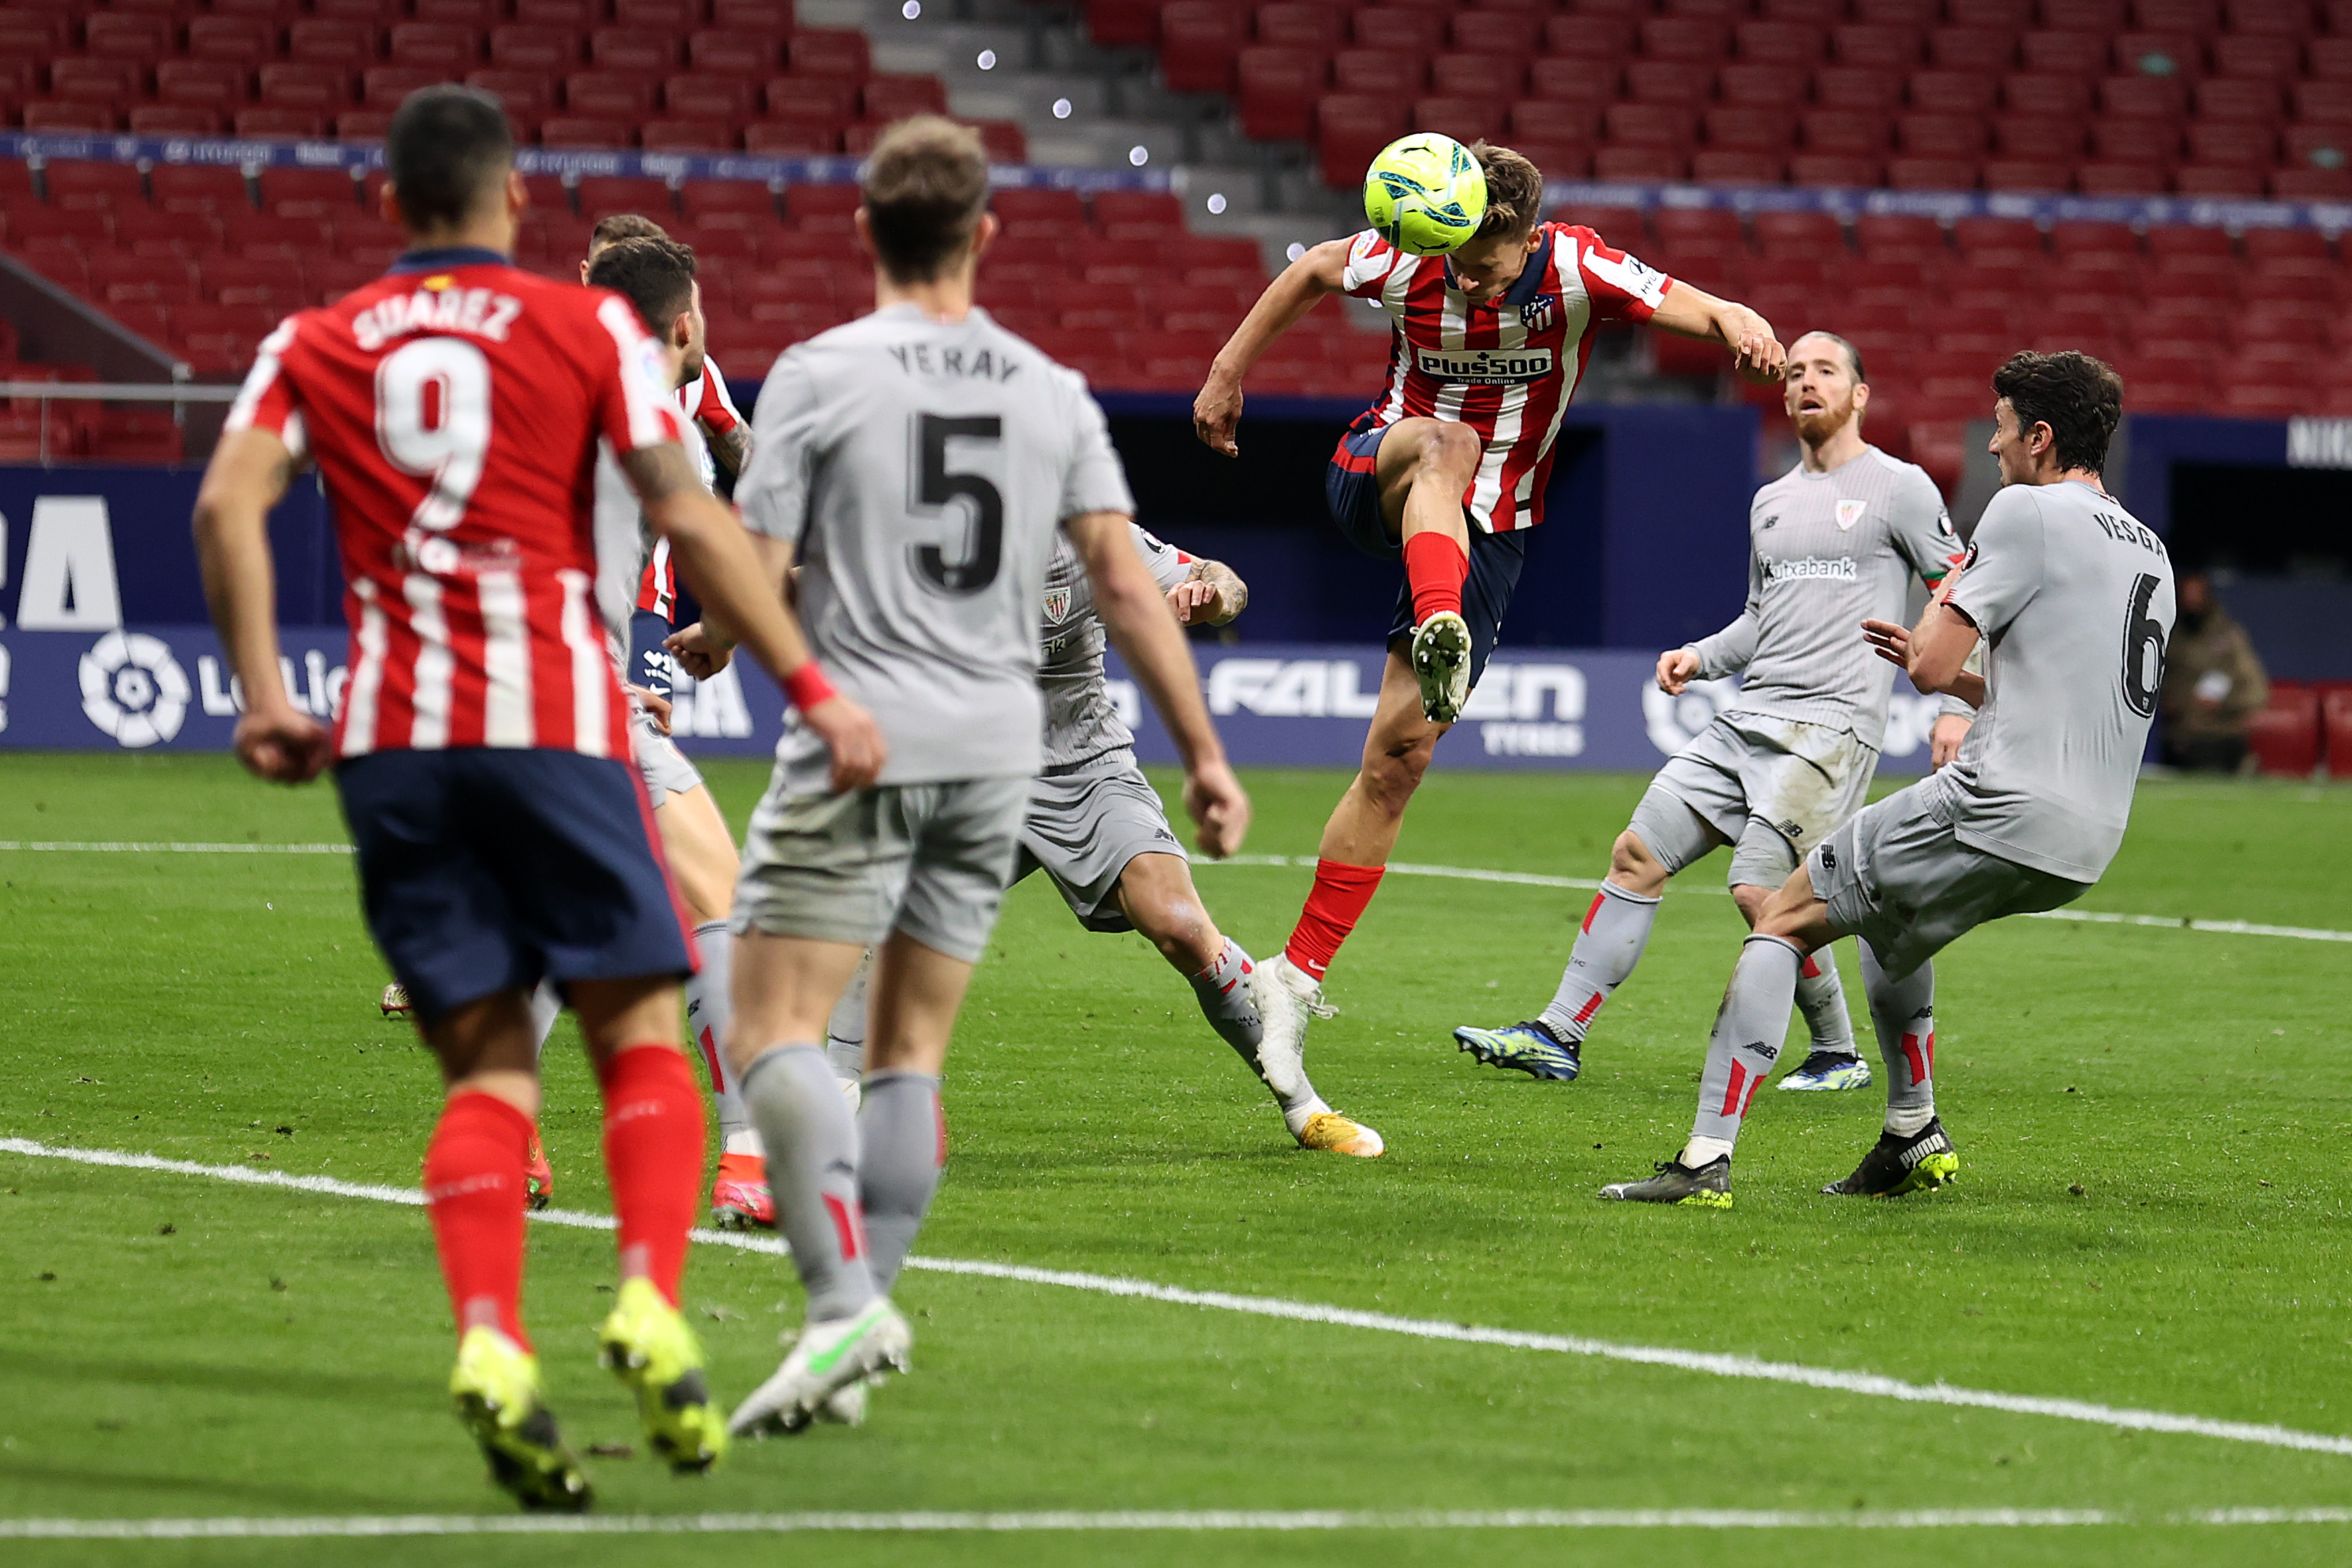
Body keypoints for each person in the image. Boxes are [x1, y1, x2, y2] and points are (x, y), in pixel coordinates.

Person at [190, 86, 883, 1508]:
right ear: (512, 202)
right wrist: (811, 688)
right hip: (564, 721)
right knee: (643, 1017)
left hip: (391, 738)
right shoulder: (586, 333)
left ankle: (494, 1333)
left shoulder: (311, 341)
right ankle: (644, 1291)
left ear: (389, 205)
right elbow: (691, 509)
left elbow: (223, 505)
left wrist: (265, 692)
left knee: (488, 1063)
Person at [663, 117, 1250, 1437]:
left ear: (867, 234)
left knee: (771, 1028)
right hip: (999, 746)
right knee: (907, 1048)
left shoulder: (817, 375)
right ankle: (859, 1306)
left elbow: (765, 566)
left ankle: (841, 1307)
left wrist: (725, 643)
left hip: (867, 731)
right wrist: (1203, 755)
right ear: (984, 238)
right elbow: (1129, 581)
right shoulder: (1045, 391)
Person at [1191, 141, 1786, 1104]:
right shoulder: (1416, 251)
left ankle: (1292, 979)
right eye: (1458, 258)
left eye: (1485, 263)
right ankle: (1439, 624)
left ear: (1526, 239)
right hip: (1382, 465)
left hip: (1490, 532)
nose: (1466, 276)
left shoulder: (1577, 265)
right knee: (1451, 439)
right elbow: (1308, 269)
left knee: (1397, 761)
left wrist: (1743, 328)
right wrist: (1227, 373)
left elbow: (1702, 307)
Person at [1599, 350, 2172, 1207]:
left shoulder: (2024, 511)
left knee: (1782, 914)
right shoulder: (2149, 548)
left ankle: (1702, 1159)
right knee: (1885, 923)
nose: (1992, 447)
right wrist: (1963, 673)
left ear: (2041, 437)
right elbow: (2061, 690)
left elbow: (1933, 669)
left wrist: (1935, 632)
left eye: (2004, 426)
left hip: (1997, 801)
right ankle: (1912, 1131)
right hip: (2087, 837)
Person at [1455, 331, 1971, 1090]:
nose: (1805, 382)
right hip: (1747, 718)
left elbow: (1957, 592)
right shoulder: (1771, 501)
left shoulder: (1902, 487)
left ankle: (1836, 1052)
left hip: (1828, 728)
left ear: (1858, 394)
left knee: (1761, 892)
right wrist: (1700, 655)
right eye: (1793, 371)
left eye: (1825, 371)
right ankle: (1557, 1032)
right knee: (1637, 852)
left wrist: (1958, 704)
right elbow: (1761, 618)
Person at [1017, 524, 1382, 1155]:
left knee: (1180, 922)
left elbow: (1225, 580)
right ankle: (846, 1098)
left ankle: (1304, 1108)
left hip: (1080, 762)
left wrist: (1208, 597)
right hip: (952, 766)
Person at [2160, 570, 2268, 773]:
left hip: (2220, 738)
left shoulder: (2230, 638)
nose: (2191, 603)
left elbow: (2256, 691)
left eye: (2197, 596)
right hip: (2175, 737)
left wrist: (2222, 704)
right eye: (2186, 597)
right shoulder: (2170, 636)